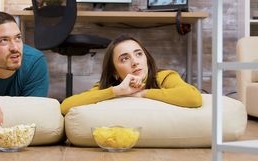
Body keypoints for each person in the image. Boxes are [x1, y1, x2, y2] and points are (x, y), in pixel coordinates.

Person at [60, 35, 202, 114]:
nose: (135, 62)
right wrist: (116, 91)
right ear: (115, 71)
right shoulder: (110, 87)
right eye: (124, 58)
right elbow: (66, 106)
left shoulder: (163, 77)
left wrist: (142, 93)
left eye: (139, 54)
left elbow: (194, 98)